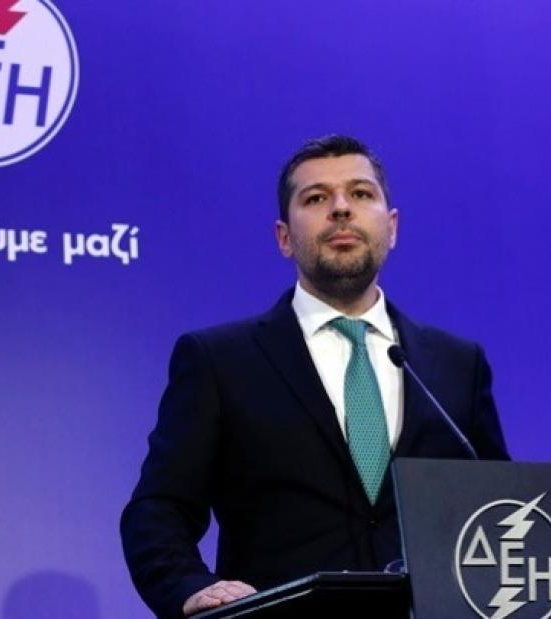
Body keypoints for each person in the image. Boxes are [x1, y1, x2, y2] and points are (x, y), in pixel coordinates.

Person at [120, 135, 510, 618]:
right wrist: (191, 588)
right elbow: (158, 509)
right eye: (316, 198)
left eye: (361, 193)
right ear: (284, 237)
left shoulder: (456, 364)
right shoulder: (220, 361)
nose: (341, 208)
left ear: (392, 228)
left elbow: (499, 507)